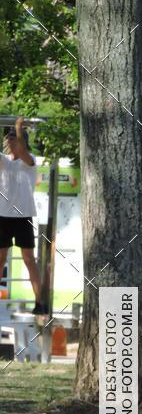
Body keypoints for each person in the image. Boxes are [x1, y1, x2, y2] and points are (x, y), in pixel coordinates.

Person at [0, 117, 46, 314]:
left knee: (29, 259)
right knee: (0, 259)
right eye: (8, 139)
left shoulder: (30, 161)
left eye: (14, 139)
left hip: (23, 216)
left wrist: (18, 129)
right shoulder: (3, 160)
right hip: (2, 216)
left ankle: (39, 302)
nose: (11, 142)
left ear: (22, 142)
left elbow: (24, 154)